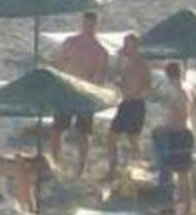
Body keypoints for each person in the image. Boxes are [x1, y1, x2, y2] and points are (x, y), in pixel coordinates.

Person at [49, 10, 111, 176]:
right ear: (82, 24)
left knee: (84, 132)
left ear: (96, 25)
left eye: (92, 25)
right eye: (86, 24)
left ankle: (81, 168)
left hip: (85, 93)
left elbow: (100, 76)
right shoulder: (70, 42)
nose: (88, 27)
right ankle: (55, 162)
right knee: (57, 129)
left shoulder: (100, 50)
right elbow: (58, 64)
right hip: (67, 90)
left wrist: (93, 87)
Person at [105, 34, 152, 184]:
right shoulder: (133, 62)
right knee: (133, 139)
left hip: (131, 103)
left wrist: (120, 83)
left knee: (114, 137)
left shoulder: (137, 64)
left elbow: (134, 86)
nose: (124, 47)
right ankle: (133, 170)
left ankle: (114, 170)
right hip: (134, 103)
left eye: (127, 45)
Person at [159, 59, 196, 215]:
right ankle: (180, 204)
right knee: (179, 171)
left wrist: (166, 127)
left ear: (168, 75)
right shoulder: (189, 87)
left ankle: (188, 210)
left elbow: (182, 114)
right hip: (183, 131)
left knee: (183, 173)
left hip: (180, 133)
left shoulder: (180, 91)